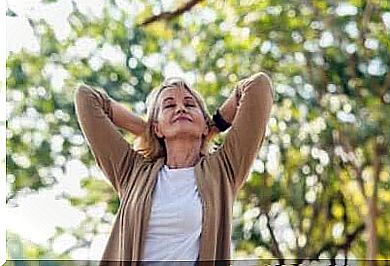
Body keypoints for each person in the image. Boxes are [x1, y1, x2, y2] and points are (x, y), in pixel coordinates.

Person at [74, 71, 274, 266]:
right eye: (169, 105)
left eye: (189, 104)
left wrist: (212, 127)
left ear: (204, 125)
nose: (181, 109)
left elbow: (258, 86)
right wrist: (147, 130)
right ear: (157, 127)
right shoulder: (131, 171)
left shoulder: (224, 169)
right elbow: (86, 97)